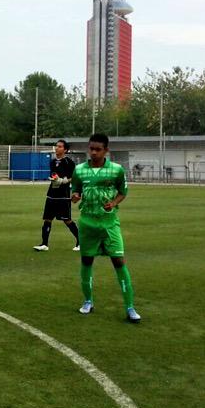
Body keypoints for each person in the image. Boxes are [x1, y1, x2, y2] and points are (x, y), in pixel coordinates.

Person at [71, 133, 140, 323]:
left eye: (98, 149)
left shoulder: (116, 170)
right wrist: (75, 196)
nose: (93, 152)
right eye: (91, 148)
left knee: (119, 261)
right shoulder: (79, 170)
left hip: (109, 223)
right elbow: (75, 189)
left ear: (106, 151)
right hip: (87, 223)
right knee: (86, 261)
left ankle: (130, 307)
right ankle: (88, 301)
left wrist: (114, 202)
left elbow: (123, 191)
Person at [34, 140, 80, 251]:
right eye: (56, 146)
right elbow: (53, 174)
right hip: (51, 194)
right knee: (47, 219)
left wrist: (64, 181)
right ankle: (44, 244)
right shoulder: (52, 161)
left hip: (63, 196)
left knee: (67, 220)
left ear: (65, 150)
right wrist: (55, 179)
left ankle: (80, 242)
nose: (56, 148)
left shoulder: (69, 162)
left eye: (59, 146)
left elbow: (75, 177)